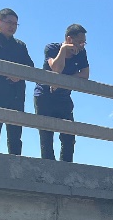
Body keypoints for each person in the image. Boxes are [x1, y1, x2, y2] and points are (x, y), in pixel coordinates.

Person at [0, 9, 35, 154]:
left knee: (15, 136)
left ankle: (15, 165)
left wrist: (19, 75)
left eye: (16, 24)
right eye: (9, 22)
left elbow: (30, 67)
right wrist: (7, 73)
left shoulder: (20, 45)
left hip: (16, 94)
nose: (12, 26)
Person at [34, 24, 88, 162]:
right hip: (44, 96)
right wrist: (63, 49)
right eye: (80, 42)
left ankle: (66, 167)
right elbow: (56, 69)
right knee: (46, 135)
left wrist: (63, 81)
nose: (82, 45)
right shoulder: (52, 48)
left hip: (64, 97)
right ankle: (48, 166)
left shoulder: (81, 53)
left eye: (84, 42)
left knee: (69, 135)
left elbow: (85, 74)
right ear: (69, 39)